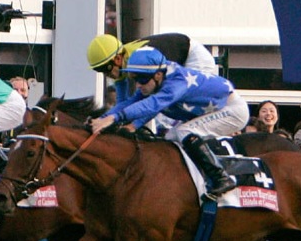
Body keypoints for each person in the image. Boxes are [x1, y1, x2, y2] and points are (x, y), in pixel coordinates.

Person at [90, 47, 247, 197]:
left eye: (142, 79)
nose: (138, 85)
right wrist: (101, 119)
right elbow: (130, 102)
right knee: (169, 139)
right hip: (215, 110)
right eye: (134, 79)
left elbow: (153, 105)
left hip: (232, 110)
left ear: (158, 75)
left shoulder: (177, 82)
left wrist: (114, 118)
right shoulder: (157, 76)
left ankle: (221, 177)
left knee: (183, 132)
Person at [86, 33, 218, 105]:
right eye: (101, 71)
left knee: (175, 101)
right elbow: (122, 101)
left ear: (117, 59)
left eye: (106, 69)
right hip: (178, 58)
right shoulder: (122, 60)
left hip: (194, 58)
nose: (106, 75)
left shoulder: (136, 59)